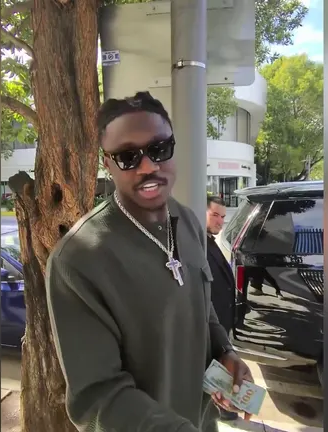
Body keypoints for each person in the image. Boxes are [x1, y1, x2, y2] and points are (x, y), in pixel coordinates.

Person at [45, 91, 253, 431]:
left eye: (159, 149)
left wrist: (225, 352)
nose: (148, 166)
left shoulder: (188, 222)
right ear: (107, 163)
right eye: (128, 156)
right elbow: (97, 398)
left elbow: (202, 309)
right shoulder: (78, 260)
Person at [204, 195, 240, 421]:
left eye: (223, 217)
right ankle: (224, 411)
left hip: (219, 325)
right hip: (210, 326)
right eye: (215, 215)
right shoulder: (198, 244)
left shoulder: (209, 242)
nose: (220, 221)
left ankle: (224, 409)